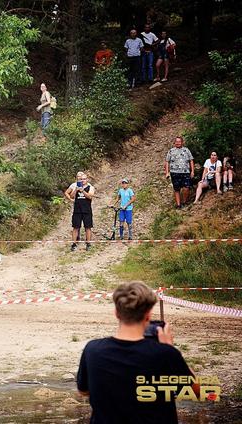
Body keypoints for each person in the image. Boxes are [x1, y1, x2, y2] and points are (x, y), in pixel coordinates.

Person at [77, 282, 196, 423]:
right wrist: (170, 348)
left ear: (116, 313)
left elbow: (84, 391)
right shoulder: (165, 354)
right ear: (148, 316)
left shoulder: (92, 350)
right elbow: (198, 391)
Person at [65, 172, 96, 251]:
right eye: (81, 179)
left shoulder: (90, 187)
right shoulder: (77, 187)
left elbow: (90, 196)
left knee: (88, 227)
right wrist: (76, 189)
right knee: (75, 227)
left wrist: (83, 191)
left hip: (87, 210)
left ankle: (88, 243)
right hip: (77, 210)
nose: (83, 180)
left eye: (84, 179)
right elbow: (71, 196)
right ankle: (74, 243)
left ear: (87, 180)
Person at [164, 136, 194, 209]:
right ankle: (178, 205)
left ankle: (184, 202)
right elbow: (167, 161)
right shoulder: (171, 151)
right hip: (174, 172)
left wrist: (192, 171)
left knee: (186, 187)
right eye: (176, 142)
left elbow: (191, 160)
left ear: (182, 142)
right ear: (174, 143)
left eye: (179, 141)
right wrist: (167, 172)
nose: (178, 143)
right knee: (176, 189)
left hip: (185, 172)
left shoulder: (186, 150)